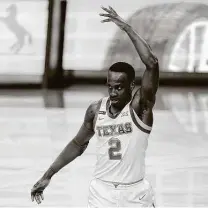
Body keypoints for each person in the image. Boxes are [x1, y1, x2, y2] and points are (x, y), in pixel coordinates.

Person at [31, 5, 159, 208]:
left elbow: (152, 63)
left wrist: (127, 28)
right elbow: (77, 145)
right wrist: (48, 175)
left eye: (119, 87)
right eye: (110, 87)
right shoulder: (95, 110)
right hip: (102, 193)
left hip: (135, 194)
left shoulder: (139, 107)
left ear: (131, 86)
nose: (113, 92)